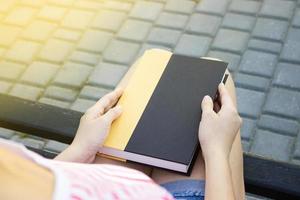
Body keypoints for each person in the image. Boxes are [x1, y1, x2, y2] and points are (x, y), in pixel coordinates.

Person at [0, 73, 244, 200]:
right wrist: (216, 151)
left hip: (96, 182)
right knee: (216, 78)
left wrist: (79, 149)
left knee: (152, 63)